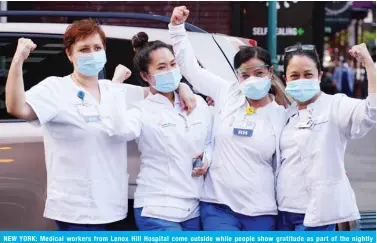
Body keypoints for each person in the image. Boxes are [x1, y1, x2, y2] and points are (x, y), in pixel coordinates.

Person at [5, 19, 196, 231]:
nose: (92, 53)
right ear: (69, 54)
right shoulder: (55, 89)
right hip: (77, 211)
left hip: (113, 208)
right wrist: (18, 60)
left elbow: (158, 88)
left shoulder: (114, 91)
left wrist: (183, 88)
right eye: (84, 49)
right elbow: (16, 107)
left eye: (97, 48)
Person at [169, 6, 286, 231]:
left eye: (259, 73)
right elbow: (191, 69)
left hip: (261, 211)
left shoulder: (282, 115)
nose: (252, 79)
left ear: (270, 73)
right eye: (244, 74)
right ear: (236, 76)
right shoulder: (227, 93)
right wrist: (177, 29)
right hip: (218, 206)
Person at [107, 33, 213, 231]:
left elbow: (210, 140)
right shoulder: (141, 110)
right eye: (162, 67)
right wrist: (115, 86)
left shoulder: (197, 103)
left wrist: (207, 158)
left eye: (173, 64)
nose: (171, 71)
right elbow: (120, 130)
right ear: (146, 76)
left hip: (194, 208)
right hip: (157, 209)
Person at [277, 43, 376, 231]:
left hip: (318, 215)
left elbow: (372, 111)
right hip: (283, 211)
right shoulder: (286, 114)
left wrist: (369, 64)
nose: (301, 80)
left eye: (308, 74)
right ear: (286, 79)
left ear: (319, 76)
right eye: (294, 76)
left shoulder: (335, 105)